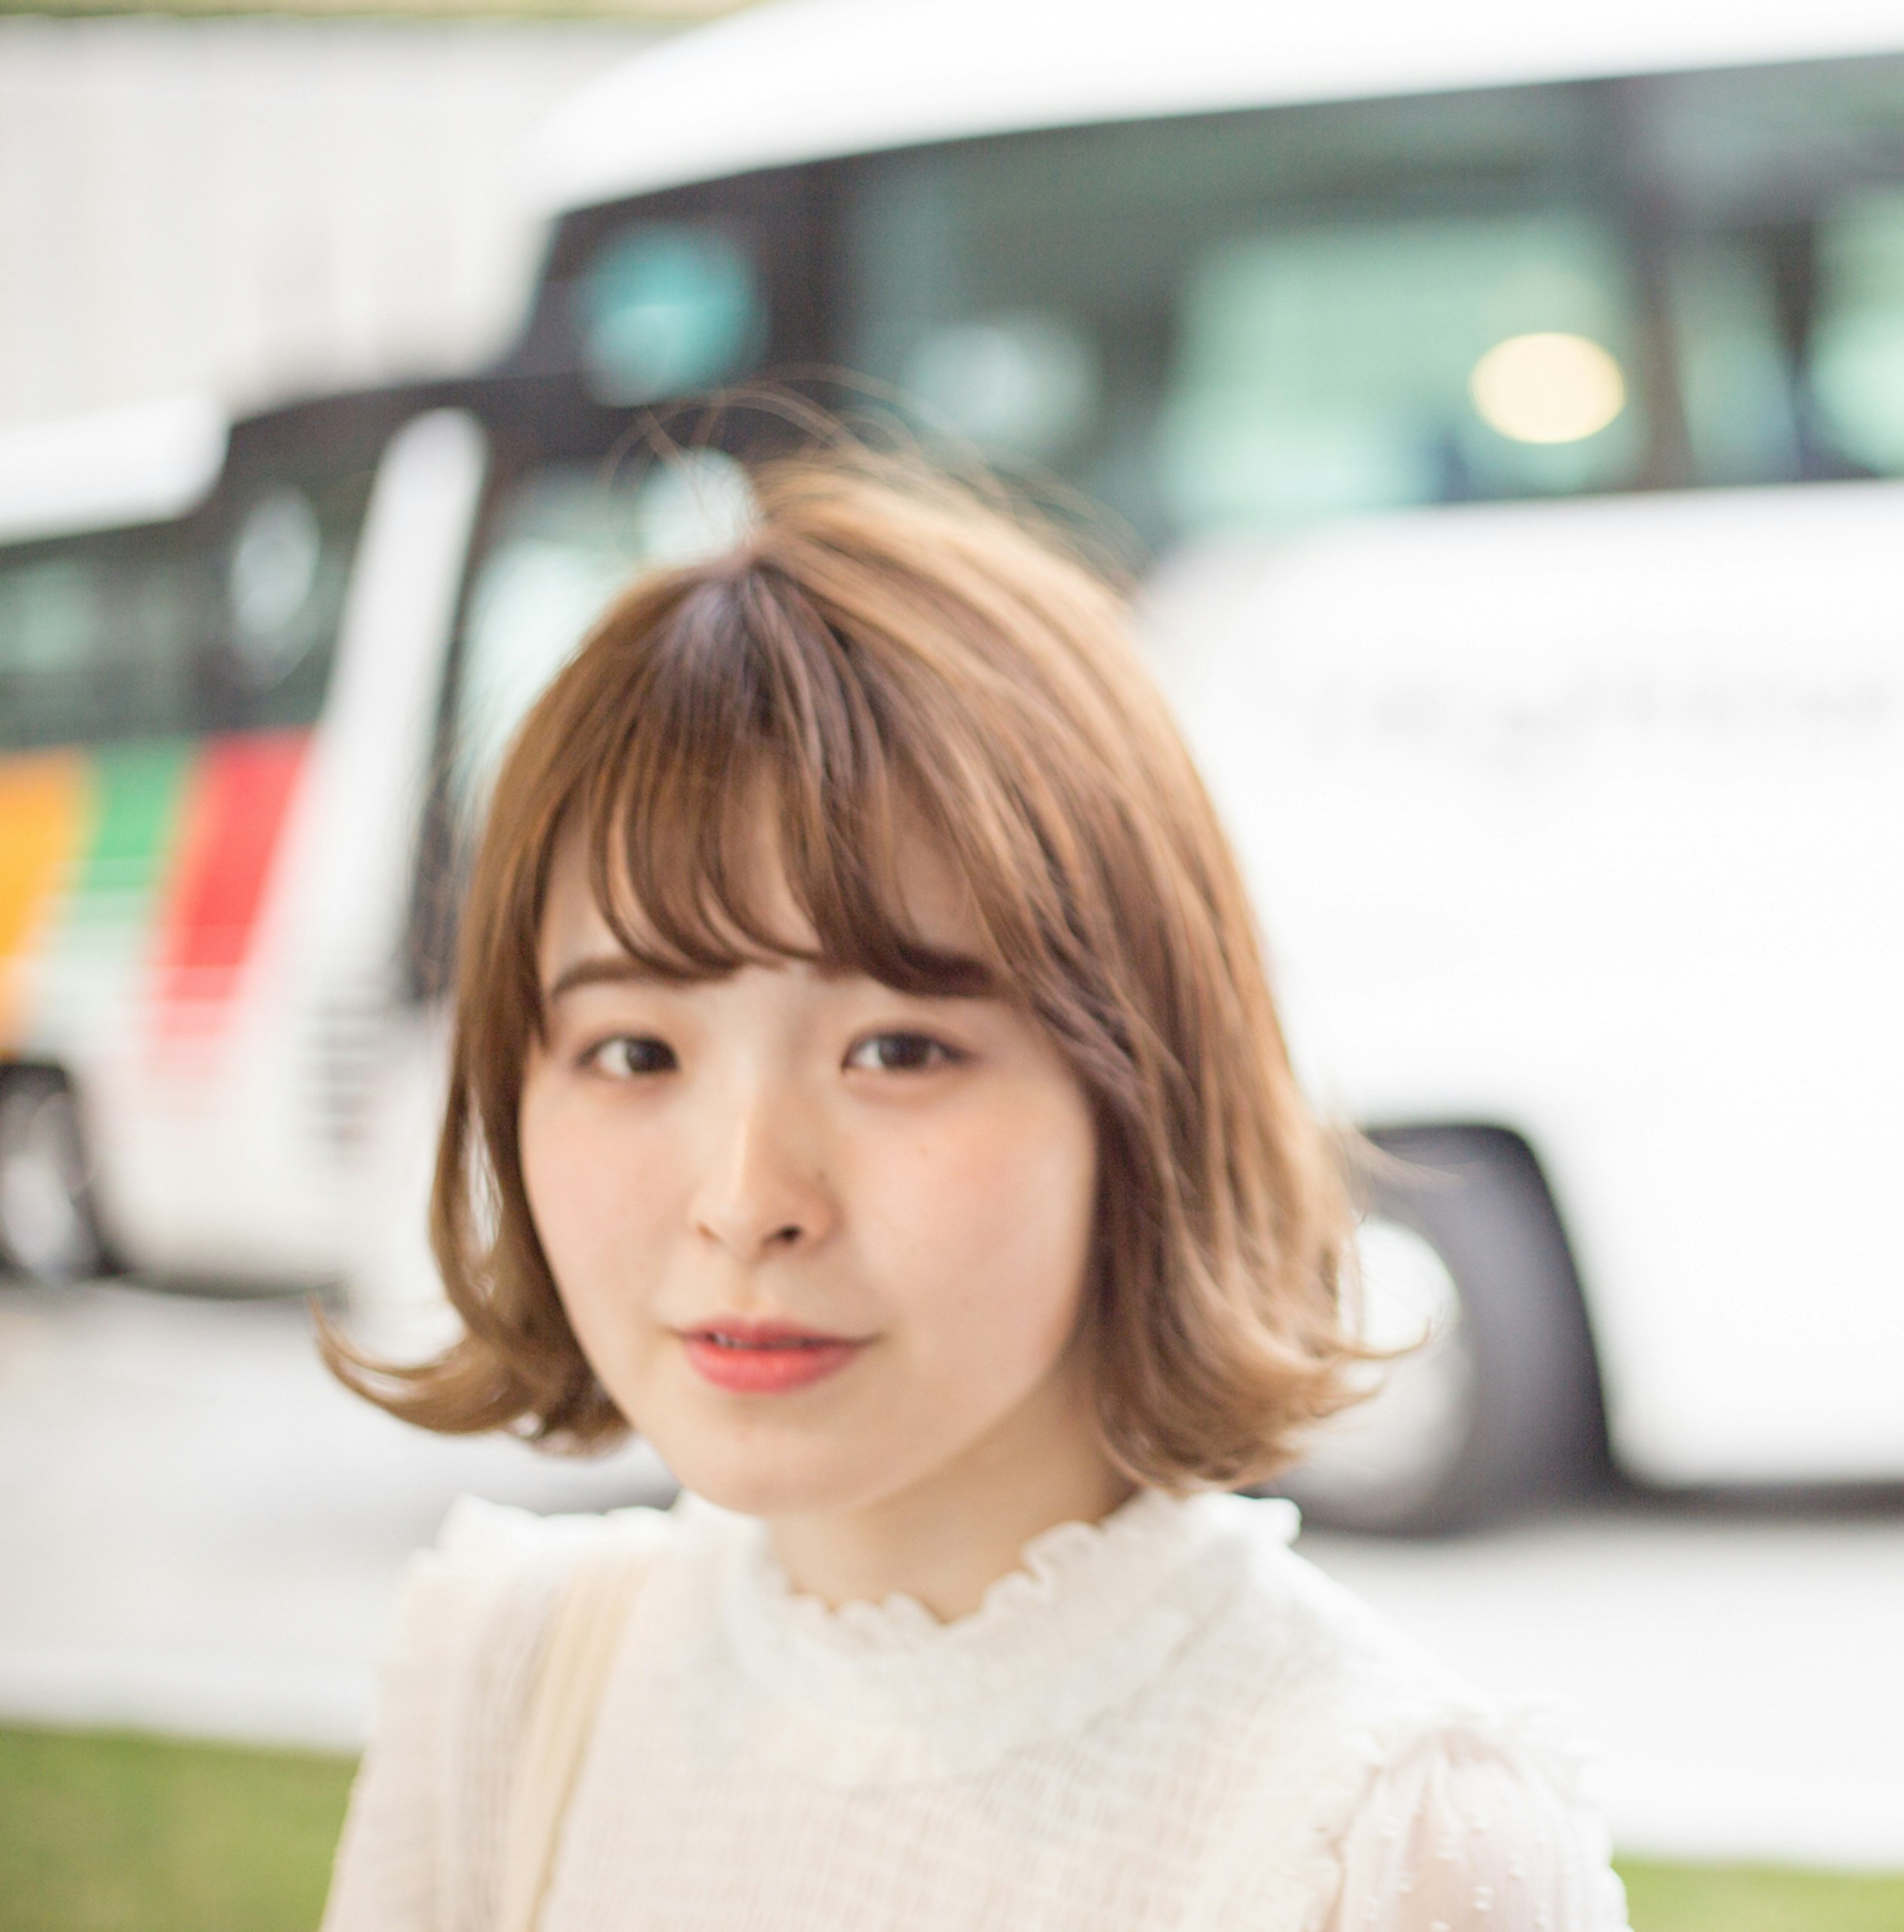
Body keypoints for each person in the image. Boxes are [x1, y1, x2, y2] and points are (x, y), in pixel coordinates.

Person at [317, 451, 1628, 1930]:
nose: (748, 1199)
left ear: (1141, 1085)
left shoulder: (1374, 1834)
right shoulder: (512, 1678)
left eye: (898, 1047)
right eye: (634, 1048)